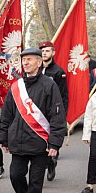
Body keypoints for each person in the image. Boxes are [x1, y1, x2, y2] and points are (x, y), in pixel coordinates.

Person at [0, 47, 66, 193]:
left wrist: (55, 143)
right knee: (15, 175)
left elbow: (57, 115)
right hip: (19, 141)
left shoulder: (49, 85)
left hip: (40, 143)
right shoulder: (16, 86)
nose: (26, 63)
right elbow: (6, 114)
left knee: (36, 182)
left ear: (39, 62)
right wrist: (4, 138)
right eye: (24, 60)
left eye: (30, 59)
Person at [38, 40, 68, 181]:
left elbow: (63, 96)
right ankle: (42, 166)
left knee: (51, 142)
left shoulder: (58, 72)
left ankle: (51, 163)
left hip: (52, 112)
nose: (44, 53)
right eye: (42, 51)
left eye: (47, 51)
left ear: (53, 53)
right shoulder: (36, 70)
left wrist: (62, 115)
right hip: (37, 112)